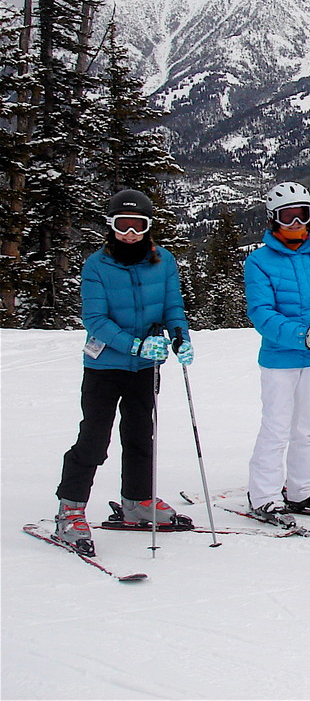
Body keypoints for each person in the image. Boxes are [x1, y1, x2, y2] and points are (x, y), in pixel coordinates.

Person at [54, 190, 194, 553]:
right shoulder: (97, 265)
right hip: (105, 366)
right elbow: (94, 319)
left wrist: (179, 336)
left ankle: (137, 500)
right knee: (94, 438)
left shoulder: (163, 261)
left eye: (138, 226)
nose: (130, 233)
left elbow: (172, 306)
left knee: (140, 435)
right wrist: (134, 345)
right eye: (122, 225)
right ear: (111, 226)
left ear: (148, 227)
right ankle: (70, 508)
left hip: (146, 367)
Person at [244, 182, 310, 527]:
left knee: (306, 428)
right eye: (287, 217)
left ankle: (302, 490)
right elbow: (262, 313)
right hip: (280, 358)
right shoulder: (259, 262)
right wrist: (302, 336)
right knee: (276, 426)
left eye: (301, 216)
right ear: (273, 220)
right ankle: (264, 495)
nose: (295, 224)